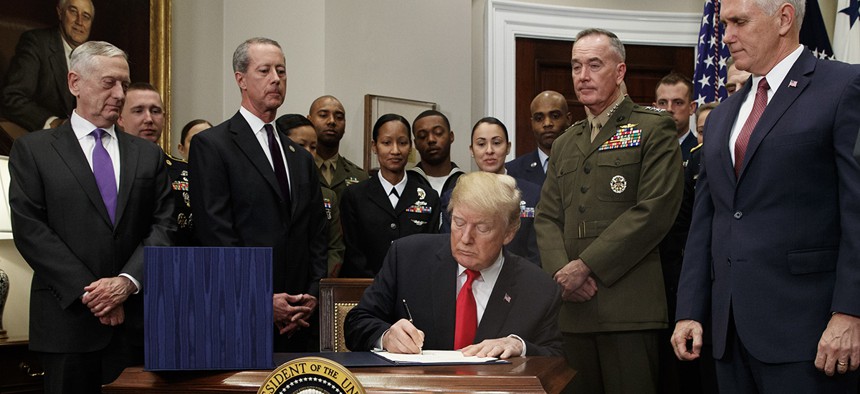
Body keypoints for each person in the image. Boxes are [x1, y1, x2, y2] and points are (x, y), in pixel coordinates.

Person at [671, 0, 860, 391]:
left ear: (784, 19)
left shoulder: (842, 87)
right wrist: (690, 309)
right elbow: (707, 217)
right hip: (728, 334)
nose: (727, 36)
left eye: (740, 22)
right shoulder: (723, 115)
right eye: (724, 24)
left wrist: (850, 313)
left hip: (810, 334)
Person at [8, 41, 175, 392]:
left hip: (137, 326)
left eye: (124, 84)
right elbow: (31, 230)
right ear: (75, 83)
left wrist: (127, 282)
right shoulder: (34, 150)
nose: (119, 94)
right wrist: (94, 295)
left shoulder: (148, 156)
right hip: (67, 325)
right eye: (108, 83)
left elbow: (164, 225)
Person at [534, 28, 683, 394]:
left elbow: (654, 210)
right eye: (575, 66)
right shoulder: (567, 141)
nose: (582, 76)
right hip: (574, 309)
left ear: (619, 72)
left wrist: (585, 266)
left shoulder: (653, 127)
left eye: (594, 65)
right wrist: (560, 274)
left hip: (628, 307)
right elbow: (547, 216)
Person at [190, 37, 328, 352]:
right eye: (264, 70)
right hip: (242, 314)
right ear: (240, 79)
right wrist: (260, 300)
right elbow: (216, 235)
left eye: (281, 71)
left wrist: (311, 295)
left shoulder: (299, 155)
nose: (276, 79)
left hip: (301, 320)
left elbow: (316, 234)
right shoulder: (213, 146)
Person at [344, 171, 563, 358]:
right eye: (458, 222)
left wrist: (521, 347)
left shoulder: (539, 288)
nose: (465, 238)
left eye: (482, 228)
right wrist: (386, 336)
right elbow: (357, 323)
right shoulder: (407, 258)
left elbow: (557, 354)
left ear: (509, 233)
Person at [339, 114, 440, 278]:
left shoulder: (429, 197)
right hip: (366, 290)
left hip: (414, 287)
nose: (395, 150)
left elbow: (431, 250)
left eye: (402, 143)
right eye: (386, 143)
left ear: (410, 146)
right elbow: (353, 253)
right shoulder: (355, 196)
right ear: (374, 146)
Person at [441, 117, 540, 266]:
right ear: (471, 150)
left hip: (520, 280)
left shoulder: (532, 193)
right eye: (481, 144)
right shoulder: (454, 196)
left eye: (496, 143)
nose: (489, 151)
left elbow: (537, 251)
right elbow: (450, 248)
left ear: (508, 147)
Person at [117, 82, 196, 246]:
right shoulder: (111, 168)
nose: (149, 119)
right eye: (138, 111)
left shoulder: (186, 171)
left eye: (155, 111)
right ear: (120, 118)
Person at [1, 0, 94, 132]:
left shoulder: (95, 57)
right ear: (60, 12)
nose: (80, 22)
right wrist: (54, 123)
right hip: (42, 137)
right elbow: (12, 98)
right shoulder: (36, 43)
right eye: (73, 11)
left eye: (86, 16)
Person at [277, 113, 345, 277]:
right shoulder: (270, 190)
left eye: (313, 147)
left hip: (316, 284)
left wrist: (319, 282)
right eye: (300, 145)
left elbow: (334, 247)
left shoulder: (327, 195)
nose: (308, 153)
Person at [307, 95, 368, 200]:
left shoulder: (360, 177)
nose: (332, 121)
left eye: (339, 117)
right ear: (309, 120)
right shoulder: (298, 170)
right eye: (323, 115)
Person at [505, 91, 572, 186]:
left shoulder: (584, 164)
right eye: (539, 118)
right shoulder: (512, 171)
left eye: (555, 116)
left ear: (568, 119)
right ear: (532, 123)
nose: (547, 123)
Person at [409, 110, 465, 199]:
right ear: (415, 144)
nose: (431, 139)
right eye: (423, 136)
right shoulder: (406, 183)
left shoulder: (466, 183)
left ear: (451, 137)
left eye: (438, 133)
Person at [654, 72, 698, 164]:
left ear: (691, 108)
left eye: (678, 103)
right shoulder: (645, 150)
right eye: (662, 103)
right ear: (655, 108)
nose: (669, 109)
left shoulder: (700, 152)